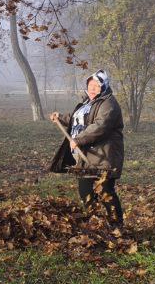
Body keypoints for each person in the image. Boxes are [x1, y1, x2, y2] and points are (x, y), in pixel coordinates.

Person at [49, 70, 124, 226]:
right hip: (86, 156)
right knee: (85, 192)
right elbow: (78, 119)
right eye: (90, 85)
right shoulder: (88, 102)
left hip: (103, 156)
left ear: (104, 86)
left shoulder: (108, 104)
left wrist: (79, 139)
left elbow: (100, 126)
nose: (92, 88)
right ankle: (94, 224)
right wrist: (60, 117)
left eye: (96, 85)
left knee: (105, 192)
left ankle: (117, 226)